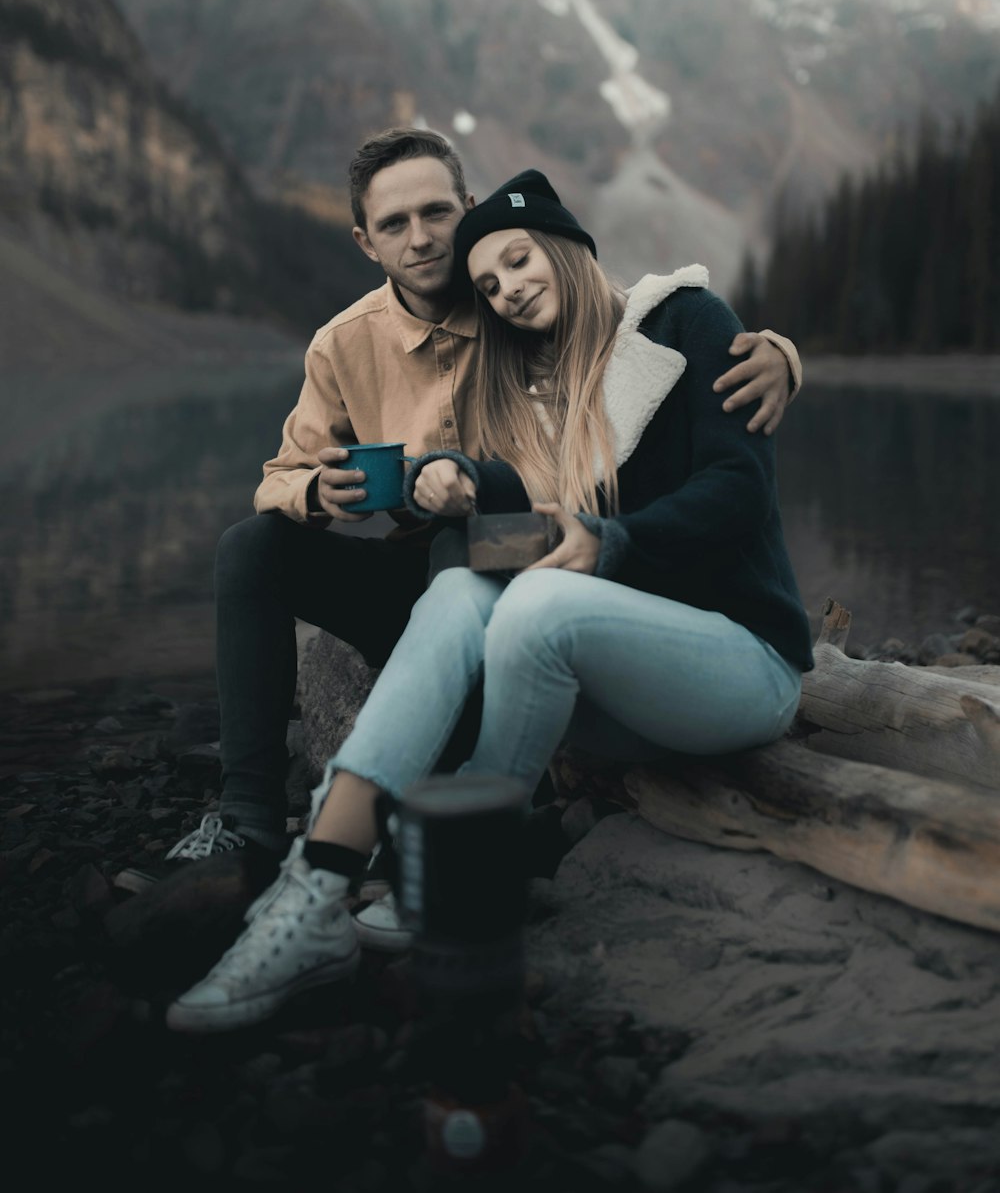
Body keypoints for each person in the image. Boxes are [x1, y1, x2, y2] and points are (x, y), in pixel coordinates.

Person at [167, 169, 813, 1033]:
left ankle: (459, 861)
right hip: (618, 690)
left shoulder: (687, 322)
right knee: (467, 587)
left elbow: (738, 491)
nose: (508, 291)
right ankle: (314, 887)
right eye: (491, 285)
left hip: (739, 664)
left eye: (517, 262)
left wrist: (616, 539)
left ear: (568, 246)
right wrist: (459, 483)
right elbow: (516, 504)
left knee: (536, 606)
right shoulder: (534, 384)